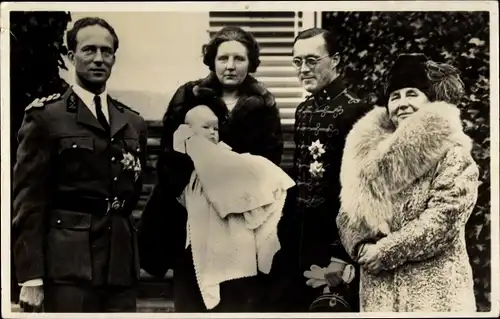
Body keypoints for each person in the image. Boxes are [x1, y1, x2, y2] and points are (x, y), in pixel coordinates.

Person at [137, 26, 283, 312]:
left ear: (250, 62)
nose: (230, 66)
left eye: (239, 59)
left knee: (236, 296)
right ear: (212, 60)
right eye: (223, 58)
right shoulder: (189, 96)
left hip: (241, 217)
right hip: (191, 214)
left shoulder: (264, 105)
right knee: (193, 296)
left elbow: (269, 161)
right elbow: (169, 153)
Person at [11, 17, 147, 313]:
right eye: (89, 50)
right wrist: (31, 276)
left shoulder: (132, 122)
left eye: (106, 52)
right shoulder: (47, 117)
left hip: (119, 265)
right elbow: (29, 202)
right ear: (72, 57)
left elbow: (131, 191)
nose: (99, 59)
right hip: (69, 265)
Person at [337, 53, 479, 312]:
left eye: (411, 94)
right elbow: (347, 214)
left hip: (435, 294)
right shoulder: (366, 154)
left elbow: (444, 218)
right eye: (395, 96)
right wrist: (361, 246)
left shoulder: (452, 152)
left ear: (430, 100)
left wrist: (385, 251)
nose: (402, 103)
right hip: (378, 294)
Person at [269, 27, 373, 312]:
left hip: (334, 239)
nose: (303, 69)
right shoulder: (303, 110)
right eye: (297, 61)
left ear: (335, 60)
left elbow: (361, 191)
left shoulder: (357, 111)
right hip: (299, 238)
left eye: (312, 60)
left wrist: (341, 255)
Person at [171, 104, 294, 311]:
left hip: (235, 247)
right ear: (188, 130)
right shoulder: (183, 158)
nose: (212, 132)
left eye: (215, 128)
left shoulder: (228, 158)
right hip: (198, 241)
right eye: (205, 127)